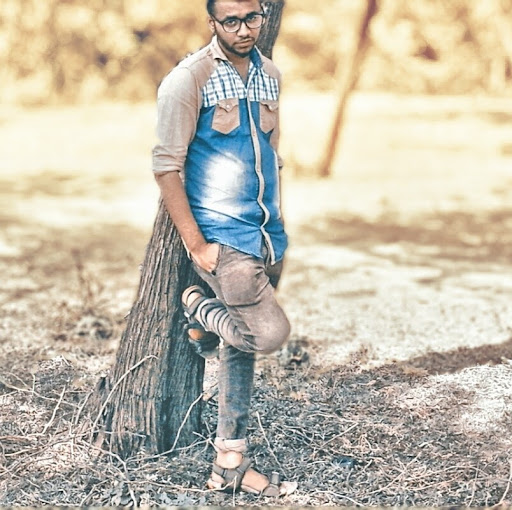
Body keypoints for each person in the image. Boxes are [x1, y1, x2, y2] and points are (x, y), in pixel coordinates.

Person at [152, 0, 296, 497]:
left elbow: (270, 153)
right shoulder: (187, 80)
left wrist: (277, 221)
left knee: (242, 344)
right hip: (223, 239)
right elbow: (166, 167)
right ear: (211, 21)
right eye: (230, 20)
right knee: (267, 334)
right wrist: (196, 245)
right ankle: (198, 307)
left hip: (266, 234)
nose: (243, 29)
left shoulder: (269, 75)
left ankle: (229, 464)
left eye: (252, 17)